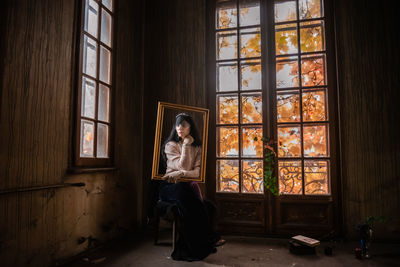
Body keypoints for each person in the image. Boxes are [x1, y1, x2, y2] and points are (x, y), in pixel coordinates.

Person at [159, 112, 225, 261]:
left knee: (203, 204)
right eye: (177, 125)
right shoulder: (170, 145)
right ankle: (210, 237)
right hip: (169, 186)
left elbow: (196, 173)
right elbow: (183, 165)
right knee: (188, 196)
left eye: (183, 125)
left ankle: (199, 245)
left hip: (185, 186)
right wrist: (185, 145)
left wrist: (181, 173)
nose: (180, 128)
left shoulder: (197, 146)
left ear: (190, 127)